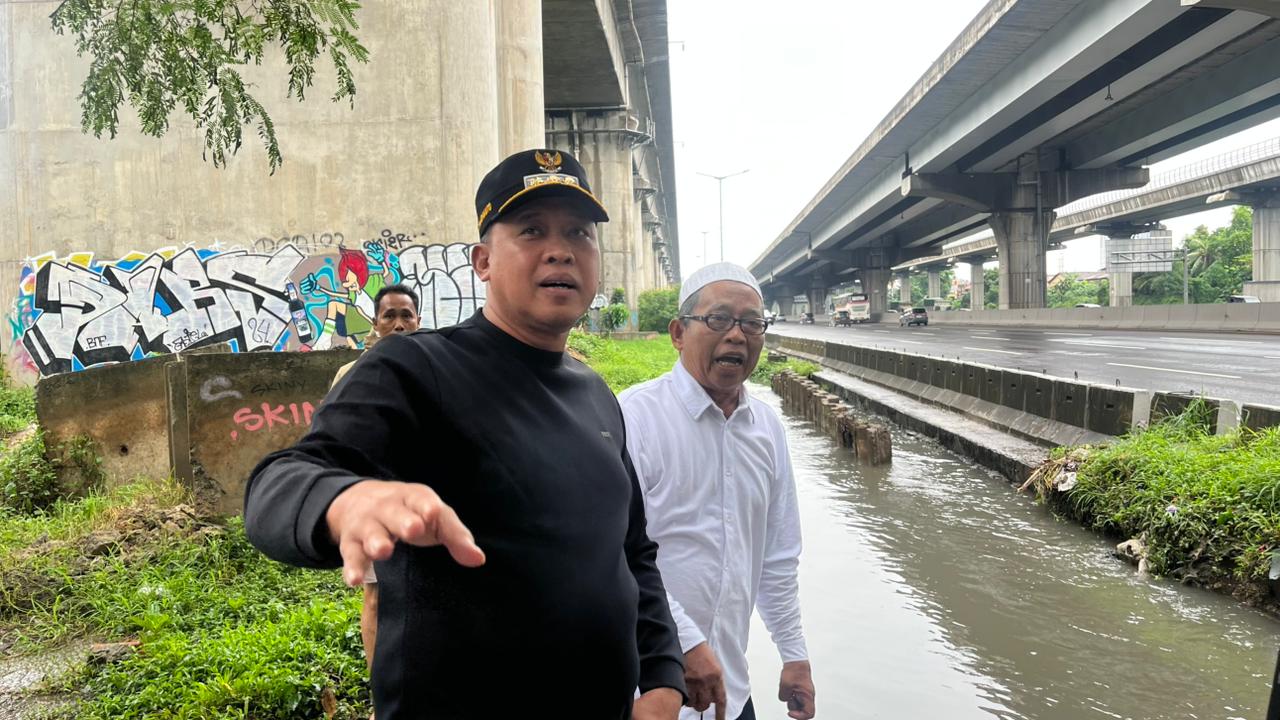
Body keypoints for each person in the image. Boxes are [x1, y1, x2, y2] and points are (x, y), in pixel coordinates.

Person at [243, 148, 686, 720]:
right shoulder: (415, 368)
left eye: (579, 232)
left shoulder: (595, 392)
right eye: (532, 230)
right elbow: (278, 483)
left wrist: (663, 673)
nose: (561, 249)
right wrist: (344, 500)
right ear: (483, 261)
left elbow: (632, 548)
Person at [619, 262, 816, 720]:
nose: (737, 335)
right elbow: (616, 553)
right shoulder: (633, 417)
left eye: (752, 323)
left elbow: (776, 556)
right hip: (651, 696)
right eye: (719, 319)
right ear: (678, 333)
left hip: (731, 692)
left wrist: (794, 653)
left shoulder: (766, 428)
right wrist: (685, 644)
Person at [326, 282, 422, 697]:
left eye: (406, 316)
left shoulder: (436, 367)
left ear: (418, 321)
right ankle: (383, 698)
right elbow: (334, 438)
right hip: (374, 502)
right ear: (376, 323)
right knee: (377, 597)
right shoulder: (352, 375)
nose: (399, 324)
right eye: (390, 316)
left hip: (424, 503)